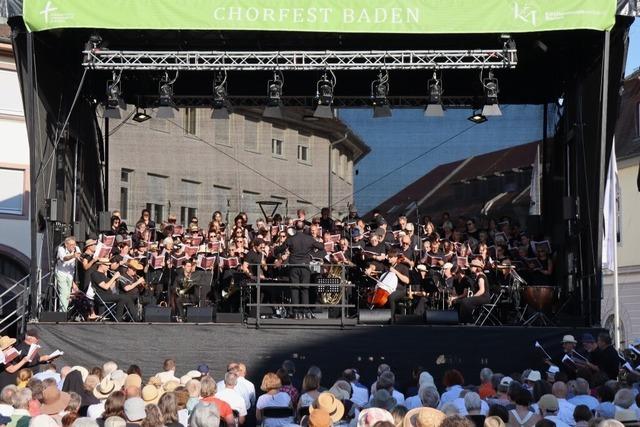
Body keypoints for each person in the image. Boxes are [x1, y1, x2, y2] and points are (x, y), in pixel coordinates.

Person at [286, 220, 324, 319]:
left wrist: (276, 250)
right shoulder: (309, 238)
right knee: (305, 289)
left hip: (294, 266)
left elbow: (281, 248)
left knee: (295, 289)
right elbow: (321, 247)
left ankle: (296, 312)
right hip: (305, 267)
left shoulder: (291, 238)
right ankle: (306, 311)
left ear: (295, 228)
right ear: (304, 228)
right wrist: (317, 241)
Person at [55, 237, 81, 312]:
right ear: (66, 245)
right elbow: (64, 258)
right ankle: (63, 312)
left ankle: (65, 309)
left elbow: (79, 255)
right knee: (64, 292)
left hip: (70, 274)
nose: (73, 246)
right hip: (61, 273)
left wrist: (79, 256)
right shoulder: (61, 249)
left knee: (68, 294)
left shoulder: (76, 248)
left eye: (74, 244)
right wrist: (73, 256)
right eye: (71, 245)